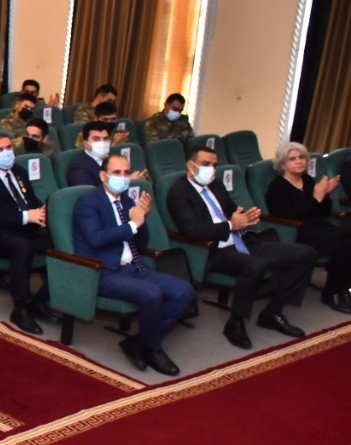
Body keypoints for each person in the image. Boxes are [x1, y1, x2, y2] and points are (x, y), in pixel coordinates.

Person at [167, 147, 318, 350]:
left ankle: (273, 312)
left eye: (214, 165)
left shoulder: (216, 185)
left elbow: (233, 211)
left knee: (306, 254)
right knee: (256, 265)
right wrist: (231, 225)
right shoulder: (179, 192)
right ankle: (235, 323)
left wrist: (246, 218)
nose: (211, 169)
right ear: (190, 165)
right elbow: (193, 230)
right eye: (205, 164)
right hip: (214, 250)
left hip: (242, 241)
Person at [72, 155, 195, 375]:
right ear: (103, 176)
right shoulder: (88, 202)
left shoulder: (127, 201)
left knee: (184, 291)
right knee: (152, 294)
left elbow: (141, 243)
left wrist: (142, 219)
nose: (123, 177)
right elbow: (95, 239)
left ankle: (138, 342)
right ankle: (153, 348)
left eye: (127, 173)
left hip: (134, 267)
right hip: (103, 271)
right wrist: (132, 224)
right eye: (117, 172)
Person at [0, 133, 59, 335]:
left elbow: (30, 199)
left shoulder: (18, 171)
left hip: (27, 229)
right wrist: (25, 217)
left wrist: (42, 211)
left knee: (61, 245)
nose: (6, 152)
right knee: (22, 246)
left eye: (9, 147)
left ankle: (39, 301)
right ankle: (20, 308)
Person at [265, 142, 351, 314]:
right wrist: (316, 198)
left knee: (348, 239)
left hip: (317, 226)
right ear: (283, 165)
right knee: (344, 245)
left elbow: (323, 211)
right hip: (296, 231)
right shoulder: (278, 187)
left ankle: (342, 288)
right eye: (292, 159)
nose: (299, 161)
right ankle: (332, 291)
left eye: (302, 157)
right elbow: (291, 216)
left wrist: (325, 194)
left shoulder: (308, 180)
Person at [67, 121, 144, 188]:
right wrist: (127, 181)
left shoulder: (114, 158)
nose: (102, 143)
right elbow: (89, 195)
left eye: (105, 139)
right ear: (85, 144)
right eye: (96, 139)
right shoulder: (79, 168)